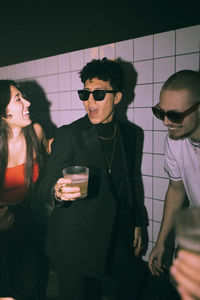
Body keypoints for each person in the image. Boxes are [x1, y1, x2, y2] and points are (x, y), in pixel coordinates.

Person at [36, 57, 146, 300]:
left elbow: (129, 181)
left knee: (131, 283)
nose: (90, 102)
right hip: (72, 238)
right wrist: (57, 190)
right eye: (85, 94)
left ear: (117, 97)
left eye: (98, 94)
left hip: (111, 230)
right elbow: (44, 185)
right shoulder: (70, 134)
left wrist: (137, 221)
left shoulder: (130, 134)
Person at [0, 80, 49, 300]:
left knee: (27, 285)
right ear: (3, 114)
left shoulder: (36, 132)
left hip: (26, 216)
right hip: (1, 217)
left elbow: (52, 151)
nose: (27, 102)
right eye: (18, 99)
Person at [148, 70, 200, 276]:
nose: (165, 122)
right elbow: (177, 190)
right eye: (160, 113)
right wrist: (161, 242)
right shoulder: (173, 140)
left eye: (175, 115)